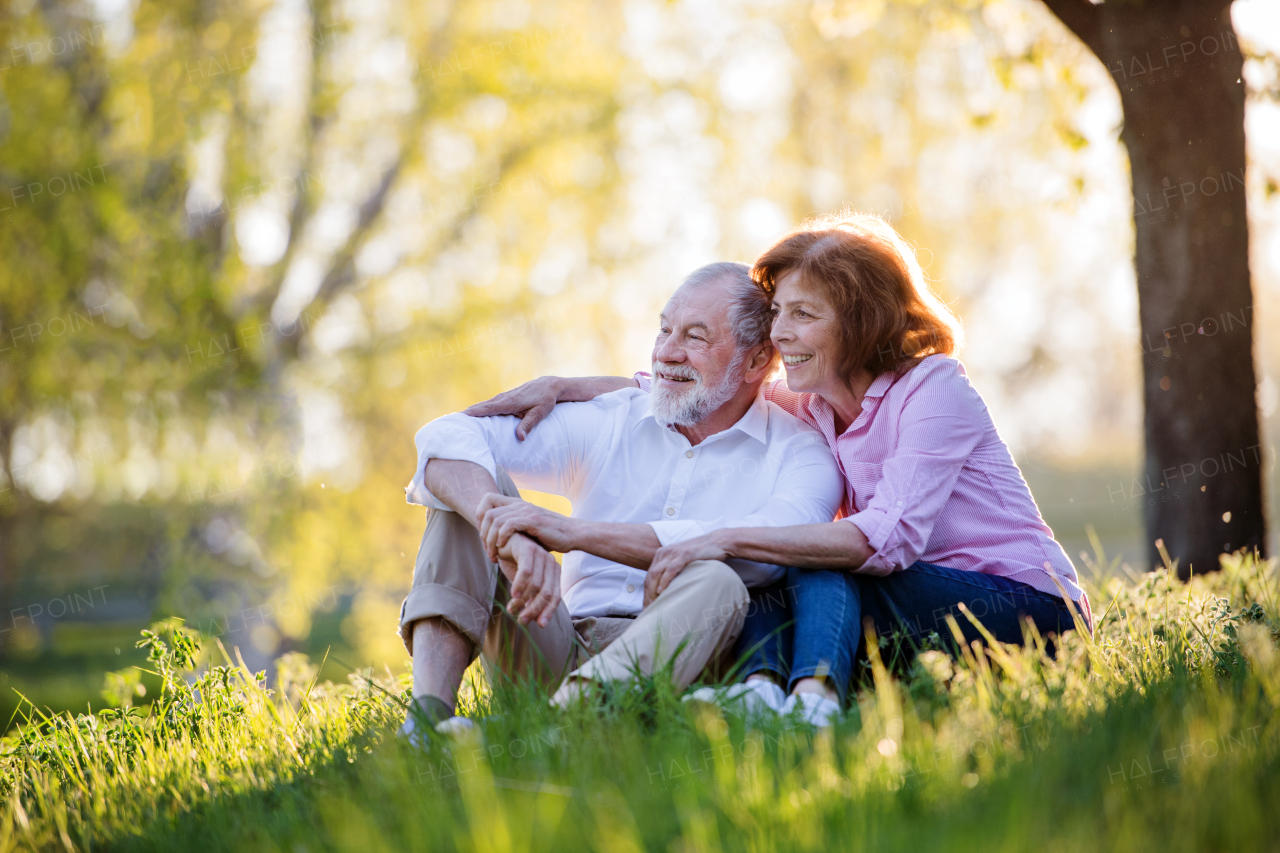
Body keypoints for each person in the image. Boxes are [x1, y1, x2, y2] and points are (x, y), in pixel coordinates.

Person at [465, 212, 1092, 728]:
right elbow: (711, 385)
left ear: (862, 319)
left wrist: (725, 535)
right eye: (778, 313)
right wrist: (567, 384)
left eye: (803, 314)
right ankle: (762, 692)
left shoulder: (935, 392)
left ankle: (810, 703)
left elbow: (882, 542)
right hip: (910, 612)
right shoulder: (816, 401)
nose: (780, 334)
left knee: (800, 554)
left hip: (1027, 607)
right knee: (768, 560)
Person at [399, 262, 842, 741]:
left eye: (695, 337)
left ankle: (558, 729)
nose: (667, 353)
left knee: (719, 577)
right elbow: (446, 435)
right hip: (552, 637)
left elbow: (773, 544)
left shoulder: (799, 453)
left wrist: (567, 534)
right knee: (471, 497)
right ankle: (427, 724)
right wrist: (509, 534)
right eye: (664, 329)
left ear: (756, 361)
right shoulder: (613, 419)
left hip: (680, 657)